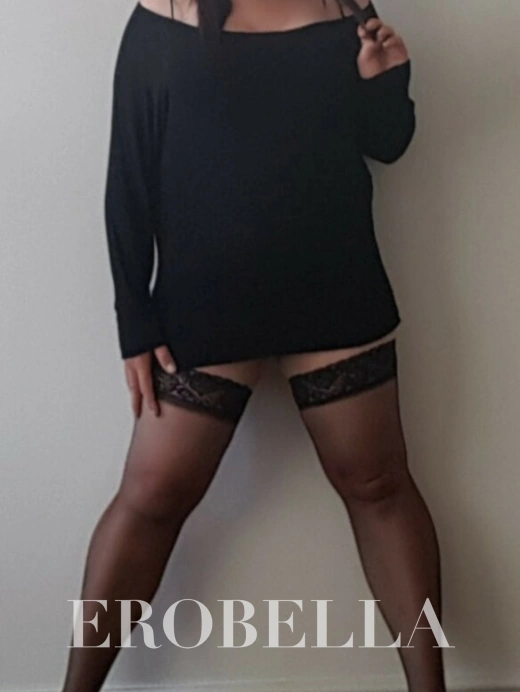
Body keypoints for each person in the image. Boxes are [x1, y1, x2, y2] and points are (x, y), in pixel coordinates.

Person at [61, 1, 447, 690]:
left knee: (380, 486)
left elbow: (387, 142)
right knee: (150, 496)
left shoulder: (345, 6)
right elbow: (129, 173)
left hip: (334, 286)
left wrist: (387, 80)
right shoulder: (166, 10)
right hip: (207, 301)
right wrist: (134, 319)